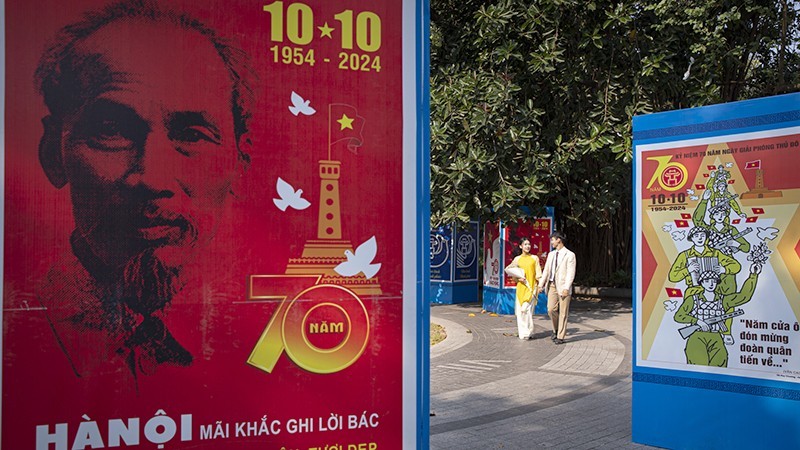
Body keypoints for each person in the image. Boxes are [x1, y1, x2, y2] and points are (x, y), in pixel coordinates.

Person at [33, 0, 253, 378]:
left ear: (240, 164)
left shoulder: (257, 335)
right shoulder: (23, 337)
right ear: (54, 154)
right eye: (111, 131)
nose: (152, 178)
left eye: (192, 135)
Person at [673, 262, 761, 367]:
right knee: (698, 367)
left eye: (713, 281)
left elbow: (744, 296)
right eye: (707, 281)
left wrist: (753, 275)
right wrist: (697, 321)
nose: (710, 284)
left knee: (720, 365)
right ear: (701, 283)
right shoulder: (693, 299)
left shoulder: (723, 300)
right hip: (697, 337)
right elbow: (679, 316)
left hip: (716, 337)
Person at [538, 231, 576, 344]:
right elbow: (546, 271)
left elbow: (571, 273)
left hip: (563, 286)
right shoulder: (551, 254)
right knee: (551, 309)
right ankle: (555, 329)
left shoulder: (570, 255)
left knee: (563, 312)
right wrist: (541, 284)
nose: (551, 242)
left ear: (558, 239)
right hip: (552, 285)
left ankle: (560, 336)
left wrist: (566, 287)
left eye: (552, 240)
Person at [505, 237, 542, 340]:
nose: (528, 246)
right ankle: (523, 333)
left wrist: (540, 285)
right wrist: (517, 278)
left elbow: (538, 273)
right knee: (520, 311)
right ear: (521, 246)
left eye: (529, 244)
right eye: (525, 244)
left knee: (527, 310)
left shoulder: (534, 258)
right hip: (521, 288)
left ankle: (529, 331)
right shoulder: (517, 259)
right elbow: (510, 269)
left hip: (531, 287)